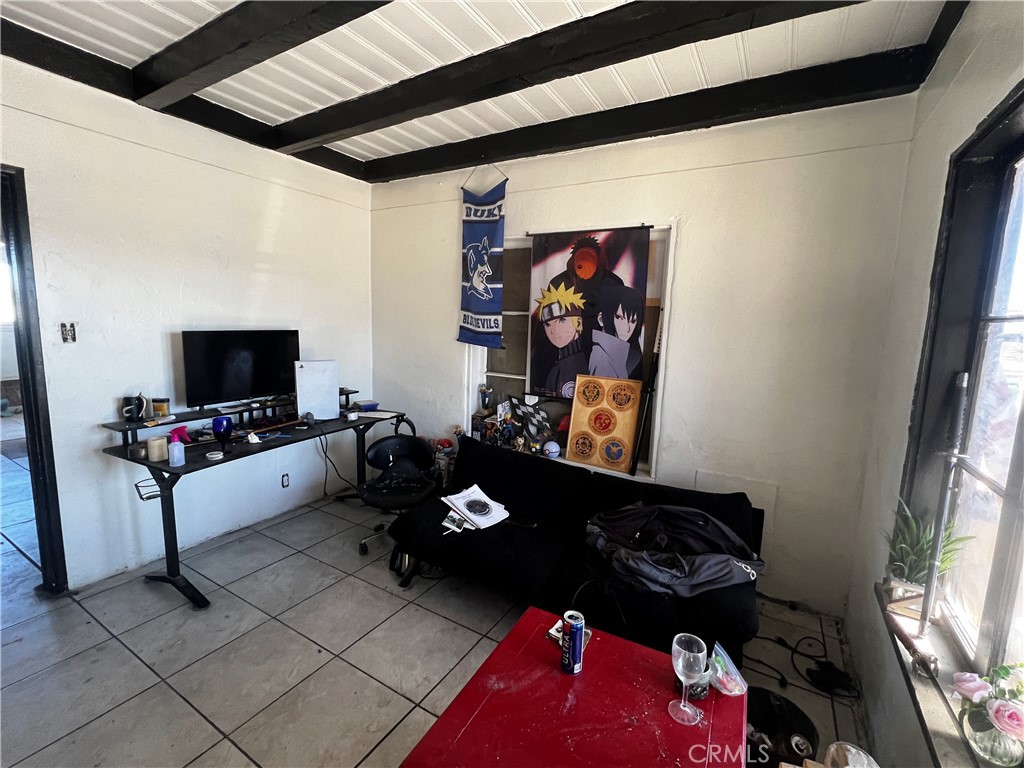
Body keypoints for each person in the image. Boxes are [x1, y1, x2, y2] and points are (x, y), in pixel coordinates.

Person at [535, 281, 588, 398]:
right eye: (547, 324)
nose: (553, 330)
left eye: (562, 320)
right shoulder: (555, 362)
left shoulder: (582, 363)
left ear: (578, 323)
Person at [589, 283, 644, 380]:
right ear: (601, 319)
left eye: (633, 321)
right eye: (619, 317)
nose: (627, 328)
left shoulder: (623, 353)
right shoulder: (602, 358)